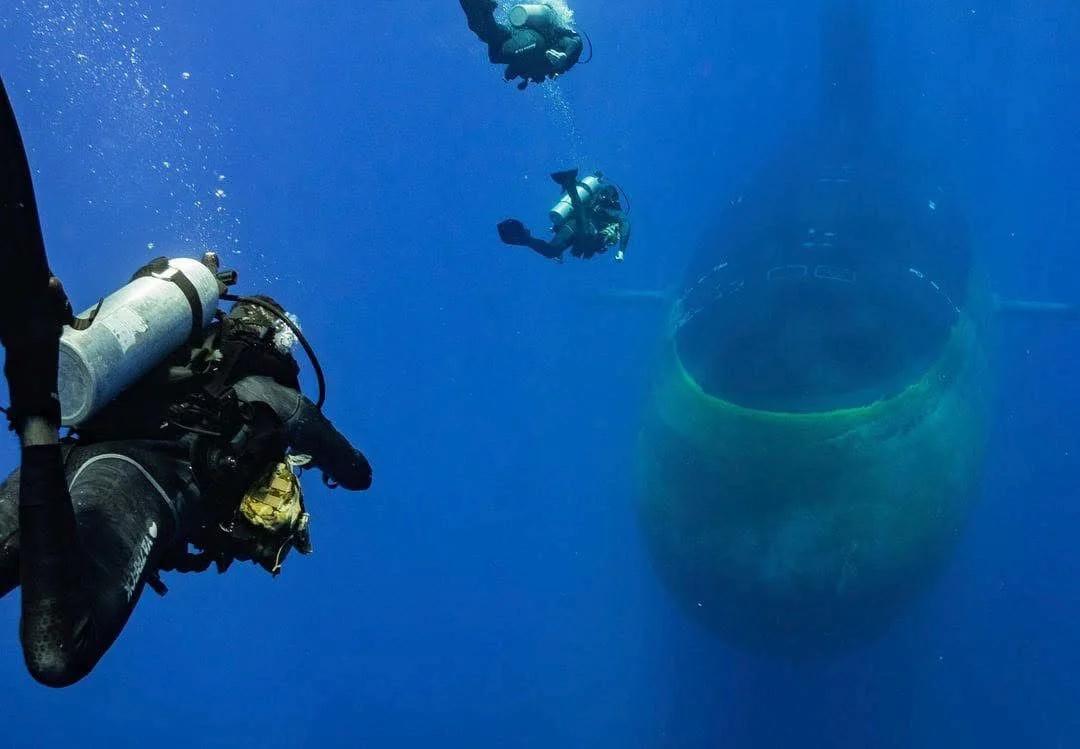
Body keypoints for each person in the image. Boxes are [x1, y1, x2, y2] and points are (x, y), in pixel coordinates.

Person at [0, 76, 372, 687]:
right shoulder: (276, 400)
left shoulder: (177, 360)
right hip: (132, 479)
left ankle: (39, 393)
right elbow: (355, 470)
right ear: (279, 347)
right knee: (59, 649)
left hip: (79, 442)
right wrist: (345, 468)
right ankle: (35, 403)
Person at [497, 168, 630, 262]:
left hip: (573, 226)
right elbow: (626, 223)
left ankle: (523, 238)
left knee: (552, 251)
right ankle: (570, 185)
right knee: (583, 228)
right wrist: (621, 250)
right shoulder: (612, 212)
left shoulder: (600, 208)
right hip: (586, 229)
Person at [459, 1, 584, 90]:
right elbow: (577, 42)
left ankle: (484, 8)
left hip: (521, 35)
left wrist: (509, 76)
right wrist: (565, 56)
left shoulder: (539, 70)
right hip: (535, 41)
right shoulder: (559, 58)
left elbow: (516, 67)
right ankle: (485, 8)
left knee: (488, 35)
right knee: (495, 42)